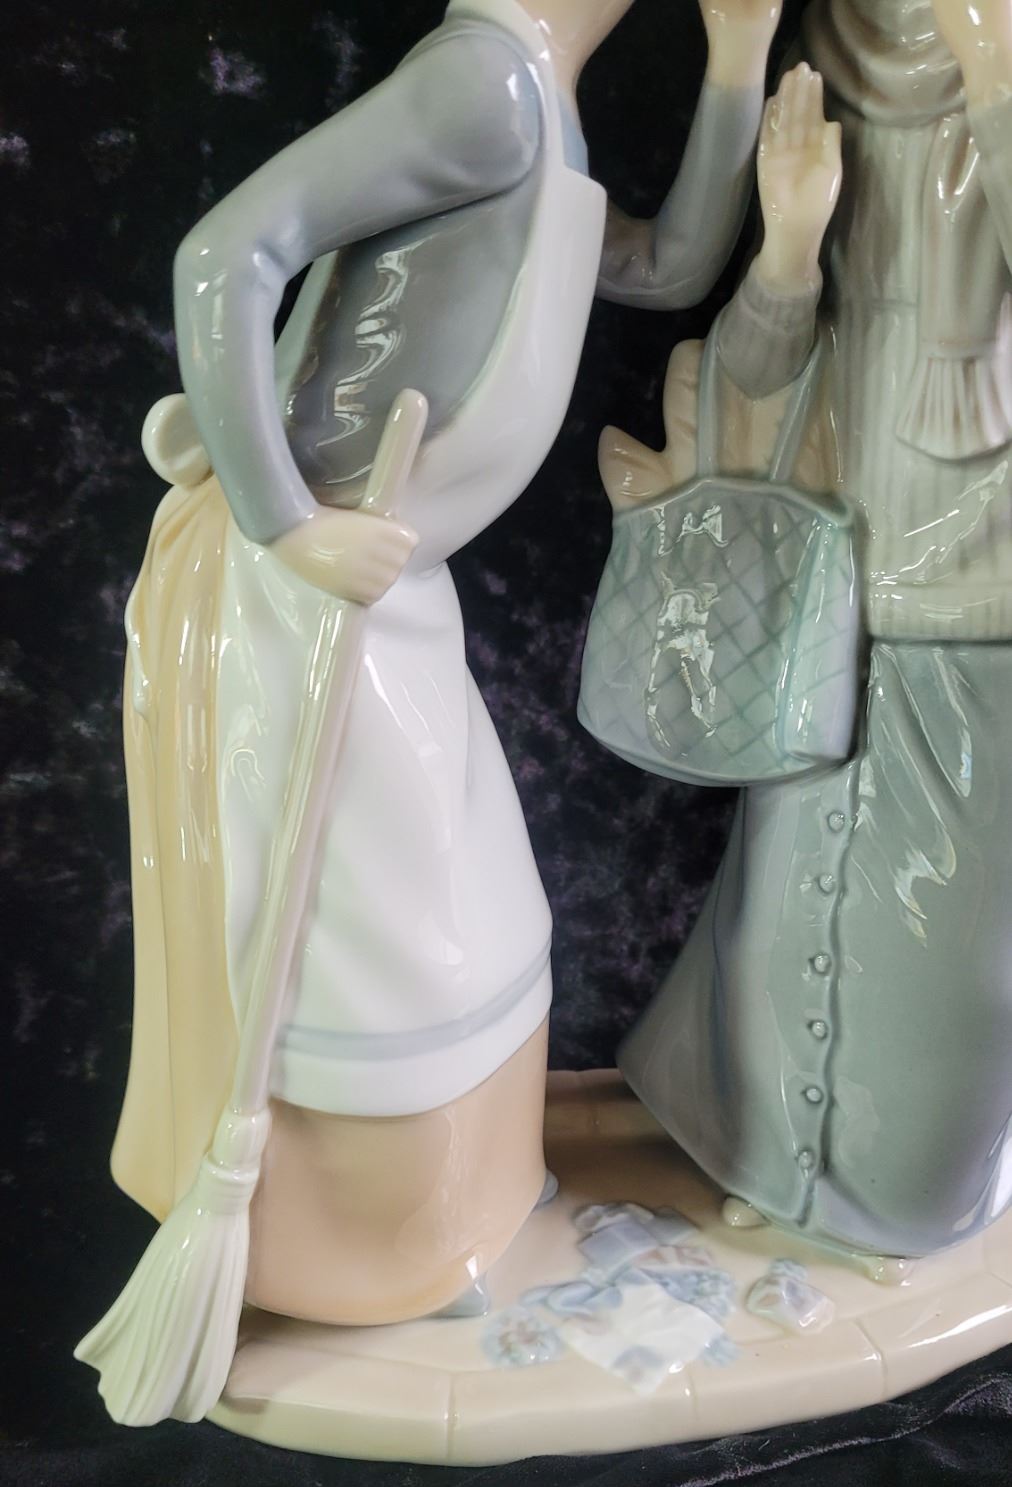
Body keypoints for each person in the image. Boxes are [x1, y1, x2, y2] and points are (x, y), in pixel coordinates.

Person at [111, 0, 784, 1330]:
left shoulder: (537, 99)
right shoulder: (487, 86)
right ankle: (361, 1251)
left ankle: (461, 1218)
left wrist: (736, 63)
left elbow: (664, 268)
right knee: (384, 937)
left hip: (390, 588)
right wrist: (288, 526)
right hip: (318, 589)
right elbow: (225, 253)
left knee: (464, 903)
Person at [617, 0, 1012, 1260]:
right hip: (827, 589)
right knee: (786, 911)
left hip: (983, 594)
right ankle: (780, 1176)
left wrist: (995, 69)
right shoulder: (825, 59)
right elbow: (754, 372)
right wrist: (788, 248)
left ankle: (902, 1193)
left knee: (947, 951)